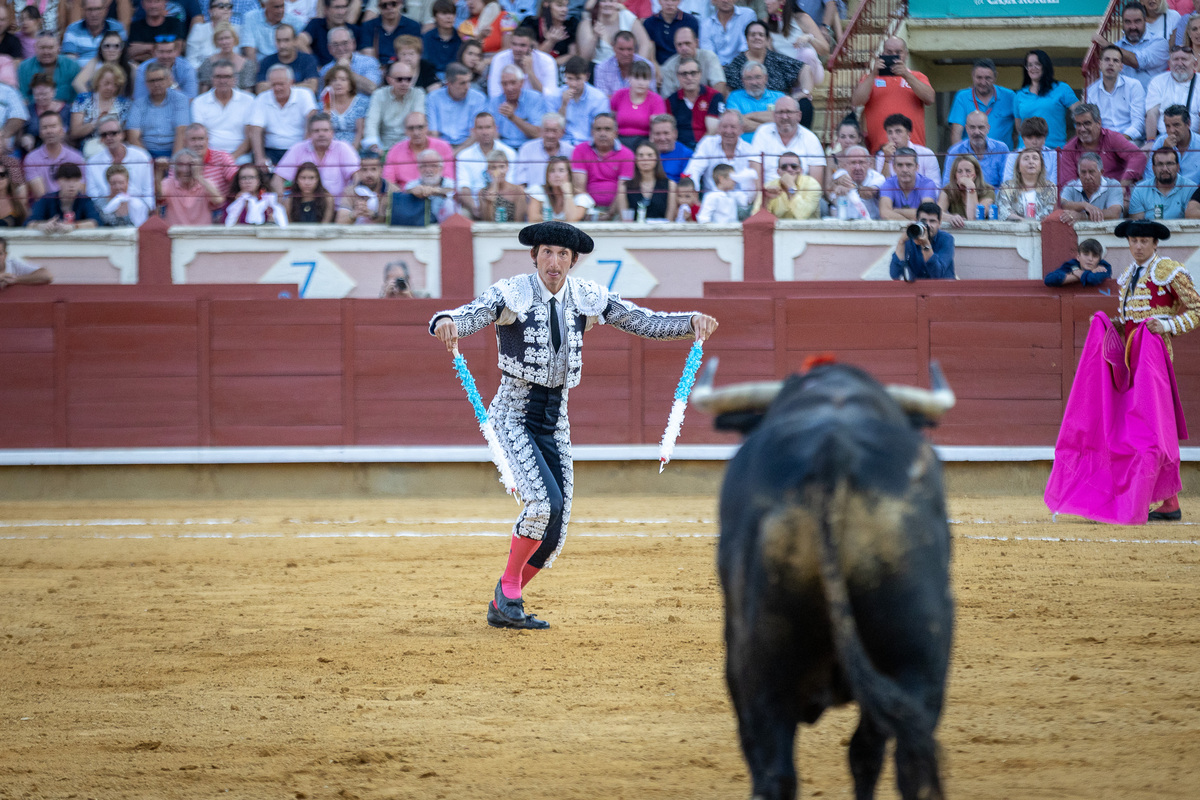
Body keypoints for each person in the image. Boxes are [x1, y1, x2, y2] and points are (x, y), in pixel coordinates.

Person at [430, 220, 718, 629]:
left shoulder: (587, 296)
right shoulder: (511, 292)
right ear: (535, 255)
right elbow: (473, 314)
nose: (554, 261)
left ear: (573, 261)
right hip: (513, 414)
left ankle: (506, 597)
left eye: (563, 254)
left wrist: (690, 321)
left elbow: (643, 321)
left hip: (555, 419)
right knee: (542, 505)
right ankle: (508, 595)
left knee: (558, 525)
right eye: (547, 252)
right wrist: (447, 321)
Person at [1045, 219, 1200, 524]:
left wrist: (1167, 325)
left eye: (1144, 241)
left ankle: (1168, 500)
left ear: (1155, 244)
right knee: (1136, 430)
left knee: (1152, 430)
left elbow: (1198, 309)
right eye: (1134, 241)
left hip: (1154, 362)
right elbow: (1129, 320)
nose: (1138, 246)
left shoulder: (1169, 271)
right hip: (1130, 361)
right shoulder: (1129, 275)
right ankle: (1168, 501)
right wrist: (1109, 324)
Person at [850, 36, 934, 153]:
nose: (893, 55)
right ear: (882, 53)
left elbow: (930, 98)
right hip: (880, 149)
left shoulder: (917, 76)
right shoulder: (870, 78)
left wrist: (906, 75)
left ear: (906, 54)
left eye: (898, 52)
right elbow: (856, 101)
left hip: (913, 148)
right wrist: (874, 74)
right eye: (889, 52)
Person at [724, 21, 809, 124]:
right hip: (746, 108)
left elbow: (805, 69)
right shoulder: (737, 64)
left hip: (778, 108)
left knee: (805, 105)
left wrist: (805, 92)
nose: (757, 37)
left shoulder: (777, 59)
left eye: (761, 35)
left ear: (767, 39)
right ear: (746, 39)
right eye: (753, 35)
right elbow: (727, 89)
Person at [1059, 103, 1148, 191]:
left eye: (1087, 123)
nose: (1082, 129)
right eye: (1078, 124)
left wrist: (1122, 185)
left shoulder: (1112, 138)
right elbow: (1069, 185)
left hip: (1116, 195)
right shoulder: (1069, 148)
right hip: (1085, 198)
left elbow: (1138, 156)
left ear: (1098, 123)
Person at [273, 112, 361, 197]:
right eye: (316, 131)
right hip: (305, 207)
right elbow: (277, 179)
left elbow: (358, 175)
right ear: (309, 134)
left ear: (332, 132)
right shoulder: (298, 149)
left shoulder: (343, 148)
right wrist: (281, 204)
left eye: (325, 130)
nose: (321, 134)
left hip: (339, 208)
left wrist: (351, 189)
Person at [249, 64, 319, 164]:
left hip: (299, 149)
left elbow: (311, 121)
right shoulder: (262, 98)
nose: (277, 88)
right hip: (271, 151)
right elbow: (255, 130)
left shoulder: (304, 94)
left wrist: (303, 153)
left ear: (291, 82)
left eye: (281, 84)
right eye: (274, 85)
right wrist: (259, 158)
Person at [1013, 49, 1080, 150]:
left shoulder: (1062, 88)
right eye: (1029, 65)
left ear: (1045, 65)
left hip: (1055, 150)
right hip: (1026, 152)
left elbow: (1080, 113)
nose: (1033, 68)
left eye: (1037, 64)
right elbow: (1019, 128)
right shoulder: (1019, 95)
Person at [85, 115, 156, 210]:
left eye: (113, 133)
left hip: (138, 209)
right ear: (101, 139)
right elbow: (93, 194)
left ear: (122, 134)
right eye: (104, 135)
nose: (109, 137)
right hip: (106, 211)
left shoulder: (142, 156)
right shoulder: (92, 162)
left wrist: (149, 210)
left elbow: (148, 190)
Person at [749, 96, 823, 185]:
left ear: (799, 116)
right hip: (768, 194)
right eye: (780, 112)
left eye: (789, 112)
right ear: (774, 116)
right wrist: (762, 196)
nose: (784, 116)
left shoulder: (811, 139)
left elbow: (815, 185)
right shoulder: (762, 133)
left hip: (801, 195)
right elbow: (754, 174)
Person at [683, 109, 760, 193]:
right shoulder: (707, 143)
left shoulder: (749, 150)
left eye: (733, 127)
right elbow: (694, 170)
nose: (728, 131)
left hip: (740, 202)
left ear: (741, 129)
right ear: (719, 128)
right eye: (724, 126)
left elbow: (753, 182)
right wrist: (693, 193)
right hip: (711, 200)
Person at [454, 111, 516, 217]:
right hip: (474, 206)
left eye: (488, 127)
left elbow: (511, 184)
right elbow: (463, 188)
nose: (484, 132)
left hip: (503, 205)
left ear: (495, 129)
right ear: (473, 131)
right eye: (480, 128)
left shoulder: (509, 153)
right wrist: (474, 207)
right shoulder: (464, 156)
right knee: (462, 215)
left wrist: (492, 206)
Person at [192, 59, 255, 160]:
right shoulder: (199, 102)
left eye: (227, 76)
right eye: (218, 77)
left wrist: (231, 159)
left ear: (235, 79)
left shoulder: (249, 100)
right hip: (209, 156)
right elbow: (199, 136)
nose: (222, 81)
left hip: (240, 156)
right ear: (211, 79)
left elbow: (250, 137)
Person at [1100, 1, 1170, 92]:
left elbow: (1139, 61)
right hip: (1122, 103)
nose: (1133, 27)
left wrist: (1109, 46)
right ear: (1122, 23)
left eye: (1137, 21)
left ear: (1145, 20)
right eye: (1128, 22)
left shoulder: (1159, 43)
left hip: (1150, 104)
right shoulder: (1117, 47)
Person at [127, 62, 191, 159]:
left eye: (160, 79)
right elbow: (133, 137)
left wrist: (174, 163)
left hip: (175, 151)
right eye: (152, 81)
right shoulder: (138, 104)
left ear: (169, 80)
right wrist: (149, 161)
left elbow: (181, 132)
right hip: (146, 153)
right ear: (146, 83)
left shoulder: (180, 99)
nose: (156, 84)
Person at [948, 58, 1017, 148]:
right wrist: (960, 157)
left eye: (987, 78)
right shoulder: (962, 97)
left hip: (1002, 157)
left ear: (995, 77)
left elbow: (1020, 127)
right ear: (973, 76)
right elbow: (956, 133)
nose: (983, 82)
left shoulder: (1009, 96)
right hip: (971, 158)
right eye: (979, 77)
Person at [1087, 44, 1147, 142]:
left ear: (1121, 67)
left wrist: (1120, 140)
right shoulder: (1091, 91)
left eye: (1115, 61)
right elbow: (1092, 123)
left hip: (1129, 140)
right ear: (1100, 64)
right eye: (1107, 59)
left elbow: (1138, 123)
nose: (1111, 63)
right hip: (1102, 141)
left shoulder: (1134, 86)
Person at [363, 62, 426, 154]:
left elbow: (417, 123)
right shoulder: (379, 94)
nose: (404, 83)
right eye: (399, 79)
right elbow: (371, 123)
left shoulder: (418, 94)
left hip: (410, 146)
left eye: (408, 79)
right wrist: (374, 145)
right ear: (389, 80)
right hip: (382, 147)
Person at [69, 65, 132, 157]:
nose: (110, 88)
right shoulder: (83, 99)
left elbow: (126, 134)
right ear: (98, 81)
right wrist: (97, 122)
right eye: (107, 83)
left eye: (115, 85)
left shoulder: (124, 104)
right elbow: (75, 132)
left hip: (115, 146)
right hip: (89, 147)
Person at [24, 112, 86, 200]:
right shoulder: (31, 159)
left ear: (62, 130)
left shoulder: (76, 157)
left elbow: (80, 190)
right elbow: (40, 194)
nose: (49, 131)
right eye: (44, 127)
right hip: (46, 208)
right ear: (40, 132)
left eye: (53, 126)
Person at [941, 110, 1009, 189]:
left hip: (994, 198)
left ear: (988, 128)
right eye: (972, 127)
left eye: (981, 127)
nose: (977, 132)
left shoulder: (1001, 148)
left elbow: (1006, 183)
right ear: (966, 129)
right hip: (963, 197)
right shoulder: (955, 151)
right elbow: (947, 185)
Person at [577, 0, 653, 70]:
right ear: (598, 3)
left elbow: (645, 44)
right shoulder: (587, 24)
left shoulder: (626, 16)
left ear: (617, 3)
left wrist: (637, 67)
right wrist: (595, 37)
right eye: (603, 1)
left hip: (627, 69)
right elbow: (584, 58)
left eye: (611, 1)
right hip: (598, 70)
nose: (608, 4)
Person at [157, 146, 225, 225]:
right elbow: (159, 197)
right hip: (176, 234)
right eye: (180, 165)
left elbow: (219, 201)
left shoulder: (206, 183)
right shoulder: (168, 183)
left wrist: (199, 177)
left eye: (190, 165)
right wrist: (159, 171)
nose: (185, 170)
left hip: (201, 234)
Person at [1144, 46, 1200, 139]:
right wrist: (1151, 142)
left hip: (1193, 140)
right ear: (1169, 64)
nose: (1179, 63)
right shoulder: (1157, 81)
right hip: (1163, 139)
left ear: (1195, 64)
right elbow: (1151, 114)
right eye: (1176, 59)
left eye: (1184, 59)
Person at [486, 25, 557, 98]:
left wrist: (530, 72)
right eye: (514, 44)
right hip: (507, 105)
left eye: (522, 45)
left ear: (532, 47)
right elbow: (494, 94)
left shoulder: (547, 61)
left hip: (537, 106)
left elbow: (550, 97)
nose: (517, 49)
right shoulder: (499, 59)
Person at [889, 202, 954, 281]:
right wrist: (901, 242)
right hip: (917, 291)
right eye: (923, 221)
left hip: (942, 290)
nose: (928, 225)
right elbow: (895, 275)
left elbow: (937, 274)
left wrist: (925, 244)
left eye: (932, 221)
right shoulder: (910, 238)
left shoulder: (946, 239)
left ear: (939, 223)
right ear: (916, 221)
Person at [427, 63, 487, 148]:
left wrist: (456, 154)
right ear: (448, 84)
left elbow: (476, 134)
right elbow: (433, 133)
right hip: (441, 145)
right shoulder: (433, 98)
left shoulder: (479, 98)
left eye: (468, 82)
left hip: (470, 146)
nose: (467, 87)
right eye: (462, 83)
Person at [26, 162, 100, 230]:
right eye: (67, 180)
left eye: (76, 180)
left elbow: (96, 222)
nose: (72, 185)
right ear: (58, 181)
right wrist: (42, 225)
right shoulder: (46, 199)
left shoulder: (85, 200)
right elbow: (28, 223)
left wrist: (74, 226)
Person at [659, 25, 727, 99]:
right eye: (679, 45)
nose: (684, 48)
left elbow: (719, 84)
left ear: (696, 43)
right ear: (675, 46)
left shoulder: (709, 57)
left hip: (708, 104)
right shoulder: (668, 67)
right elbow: (668, 99)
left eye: (687, 43)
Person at [615, 140, 675, 221]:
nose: (645, 159)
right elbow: (624, 219)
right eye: (640, 155)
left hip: (662, 232)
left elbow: (670, 219)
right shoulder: (624, 187)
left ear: (656, 158)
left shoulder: (670, 185)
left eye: (650, 155)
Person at [487, 64, 545, 148]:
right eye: (504, 84)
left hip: (528, 146)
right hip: (503, 147)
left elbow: (538, 133)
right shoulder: (495, 102)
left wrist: (513, 118)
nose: (509, 88)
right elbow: (491, 134)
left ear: (521, 82)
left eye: (513, 83)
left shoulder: (534, 98)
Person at [610, 61, 666, 147]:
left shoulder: (656, 100)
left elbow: (657, 128)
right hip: (619, 141)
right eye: (636, 78)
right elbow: (610, 121)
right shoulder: (618, 95)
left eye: (645, 78)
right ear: (629, 78)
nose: (641, 83)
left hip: (645, 142)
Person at [558, 56, 610, 147]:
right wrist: (564, 105)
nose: (574, 84)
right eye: (570, 79)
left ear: (587, 77)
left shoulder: (598, 98)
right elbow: (555, 129)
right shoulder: (555, 95)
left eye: (578, 79)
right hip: (563, 145)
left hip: (588, 145)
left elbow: (601, 129)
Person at [725, 61, 783, 142]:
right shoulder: (734, 97)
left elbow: (782, 120)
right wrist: (771, 125)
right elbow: (737, 124)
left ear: (765, 78)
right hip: (744, 148)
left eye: (758, 77)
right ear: (742, 80)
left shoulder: (779, 97)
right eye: (749, 78)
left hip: (773, 146)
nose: (754, 82)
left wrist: (746, 117)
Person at [875, 113, 939, 187]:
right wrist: (887, 160)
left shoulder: (927, 154)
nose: (893, 136)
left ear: (909, 134)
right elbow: (882, 188)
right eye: (890, 132)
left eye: (898, 131)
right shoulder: (882, 155)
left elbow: (935, 187)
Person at [1060, 152, 1126, 223]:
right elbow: (1063, 204)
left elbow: (1114, 213)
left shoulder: (1113, 185)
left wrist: (1081, 216)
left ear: (1101, 172)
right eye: (1083, 172)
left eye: (1091, 172)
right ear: (1078, 173)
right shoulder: (1071, 186)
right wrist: (1084, 205)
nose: (1087, 177)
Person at [753, 150, 818, 219]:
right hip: (778, 228)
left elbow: (802, 216)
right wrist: (766, 200)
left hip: (807, 229)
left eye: (794, 166)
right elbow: (756, 217)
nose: (789, 169)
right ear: (778, 171)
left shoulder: (812, 184)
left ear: (801, 170)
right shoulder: (769, 186)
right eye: (784, 167)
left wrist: (791, 187)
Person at [255, 24, 320, 94]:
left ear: (295, 41)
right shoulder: (266, 61)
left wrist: (275, 87)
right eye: (278, 41)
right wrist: (301, 85)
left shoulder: (308, 60)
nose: (282, 45)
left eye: (286, 40)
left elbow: (312, 88)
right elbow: (260, 90)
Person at [19, 32, 80, 105]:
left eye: (50, 47)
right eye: (42, 48)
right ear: (35, 47)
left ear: (58, 47)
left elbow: (76, 97)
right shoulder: (24, 67)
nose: (46, 52)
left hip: (65, 111)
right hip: (34, 111)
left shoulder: (71, 65)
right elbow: (24, 97)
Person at [996, 148, 1056, 221]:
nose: (1031, 162)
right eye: (1026, 159)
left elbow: (1050, 211)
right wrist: (1024, 221)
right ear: (1018, 167)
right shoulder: (1007, 187)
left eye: (1035, 158)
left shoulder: (1050, 188)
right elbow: (1003, 212)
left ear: (1041, 166)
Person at [1144, 103, 1200, 183]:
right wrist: (1164, 151)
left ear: (1188, 124)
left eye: (1176, 125)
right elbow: (1151, 178)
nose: (1172, 130)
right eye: (1167, 126)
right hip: (1166, 192)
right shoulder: (1160, 142)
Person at [825, 144, 884, 220]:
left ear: (869, 164)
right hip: (845, 223)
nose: (858, 167)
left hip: (872, 224)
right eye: (853, 163)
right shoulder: (841, 174)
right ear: (845, 165)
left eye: (861, 162)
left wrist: (851, 187)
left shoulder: (877, 177)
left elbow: (868, 193)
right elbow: (830, 189)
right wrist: (836, 184)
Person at [131, 37, 199, 102]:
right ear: (154, 52)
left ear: (176, 52)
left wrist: (172, 85)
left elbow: (191, 101)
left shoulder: (187, 68)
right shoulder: (143, 69)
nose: (165, 56)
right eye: (161, 52)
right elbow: (139, 99)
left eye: (169, 52)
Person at [878, 147, 938, 221]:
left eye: (909, 165)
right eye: (900, 165)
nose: (904, 170)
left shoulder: (927, 184)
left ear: (917, 167)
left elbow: (927, 213)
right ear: (894, 167)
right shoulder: (888, 184)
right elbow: (885, 214)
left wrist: (896, 211)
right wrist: (910, 225)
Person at [527, 154, 592, 221]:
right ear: (547, 175)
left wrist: (568, 194)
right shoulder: (539, 190)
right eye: (552, 171)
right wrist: (559, 222)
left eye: (561, 171)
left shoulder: (581, 197)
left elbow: (572, 219)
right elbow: (533, 218)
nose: (556, 175)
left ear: (569, 175)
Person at [1130, 147, 1191, 219]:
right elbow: (1137, 225)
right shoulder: (1140, 190)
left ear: (1178, 167)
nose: (1165, 169)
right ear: (1153, 168)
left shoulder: (1191, 189)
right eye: (1160, 164)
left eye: (1169, 164)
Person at [937, 154, 995, 228]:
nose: (964, 175)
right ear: (955, 175)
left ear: (976, 174)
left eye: (968, 171)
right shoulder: (947, 190)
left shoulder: (988, 191)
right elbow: (937, 214)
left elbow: (974, 218)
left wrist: (970, 187)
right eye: (959, 171)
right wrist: (951, 218)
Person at [593, 30, 657, 98]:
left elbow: (651, 96)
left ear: (635, 49)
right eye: (621, 49)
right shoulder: (601, 68)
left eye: (629, 49)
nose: (625, 54)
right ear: (613, 47)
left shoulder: (648, 66)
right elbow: (602, 99)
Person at [71, 31, 134, 98]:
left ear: (122, 49)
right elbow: (77, 83)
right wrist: (92, 101)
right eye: (107, 46)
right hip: (98, 104)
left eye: (116, 46)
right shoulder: (95, 63)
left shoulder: (131, 67)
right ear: (101, 49)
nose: (111, 50)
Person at [320, 26, 381, 95]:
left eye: (345, 43)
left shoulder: (368, 62)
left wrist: (347, 70)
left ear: (353, 43)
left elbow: (373, 88)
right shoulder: (325, 70)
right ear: (329, 48)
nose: (340, 48)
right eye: (335, 44)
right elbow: (323, 97)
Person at [196, 24, 257, 92]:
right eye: (220, 39)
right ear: (216, 41)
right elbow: (204, 89)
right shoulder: (208, 62)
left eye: (227, 38)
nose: (224, 42)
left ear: (234, 39)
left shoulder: (246, 63)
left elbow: (247, 90)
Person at [322, 64, 370, 150]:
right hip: (330, 149)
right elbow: (324, 130)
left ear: (350, 84)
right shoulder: (324, 103)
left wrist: (352, 152)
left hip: (356, 148)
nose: (338, 83)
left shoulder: (361, 102)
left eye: (343, 80)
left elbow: (360, 132)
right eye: (334, 80)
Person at [402, 148, 457, 222]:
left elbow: (453, 191)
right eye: (424, 166)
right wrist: (413, 192)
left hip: (446, 225)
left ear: (441, 168)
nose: (428, 170)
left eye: (433, 166)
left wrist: (434, 190)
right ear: (418, 168)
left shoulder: (450, 183)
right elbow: (405, 193)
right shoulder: (412, 184)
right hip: (420, 225)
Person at [62, 0, 127, 63]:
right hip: (81, 72)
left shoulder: (117, 28)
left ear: (106, 10)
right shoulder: (73, 30)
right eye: (89, 9)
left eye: (98, 9)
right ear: (83, 11)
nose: (94, 14)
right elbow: (70, 61)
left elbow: (123, 56)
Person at [1001, 116, 1059, 186]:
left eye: (1038, 137)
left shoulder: (1054, 155)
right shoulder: (1013, 156)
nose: (1034, 142)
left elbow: (1054, 185)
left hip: (1048, 195)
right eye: (1029, 138)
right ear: (1023, 139)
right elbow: (1008, 184)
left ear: (1045, 138)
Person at [514, 112, 568, 187]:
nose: (550, 135)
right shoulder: (527, 149)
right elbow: (521, 182)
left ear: (562, 132)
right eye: (547, 130)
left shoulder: (570, 151)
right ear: (541, 130)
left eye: (554, 131)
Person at [241, 0, 306, 62]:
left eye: (282, 6)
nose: (281, 10)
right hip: (261, 64)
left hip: (287, 63)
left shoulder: (295, 21)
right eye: (276, 7)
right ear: (264, 6)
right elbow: (249, 50)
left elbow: (304, 44)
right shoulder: (251, 18)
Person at [361, 0, 422, 64]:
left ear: (401, 4)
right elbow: (367, 55)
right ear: (379, 7)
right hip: (376, 68)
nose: (389, 8)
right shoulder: (368, 26)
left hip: (404, 66)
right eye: (384, 5)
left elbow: (414, 54)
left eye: (394, 4)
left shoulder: (413, 26)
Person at [298, 0, 357, 66]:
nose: (341, 12)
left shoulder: (354, 29)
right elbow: (300, 42)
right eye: (337, 7)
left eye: (344, 7)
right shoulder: (316, 24)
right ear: (326, 9)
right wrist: (314, 65)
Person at [699, 0, 756, 66]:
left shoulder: (747, 15)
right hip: (716, 69)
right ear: (714, 1)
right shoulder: (705, 25)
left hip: (743, 66)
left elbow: (746, 47)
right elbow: (708, 55)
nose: (725, 1)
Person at [187, 0, 241, 69]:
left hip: (232, 75)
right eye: (221, 6)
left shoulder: (238, 31)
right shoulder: (199, 29)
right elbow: (191, 60)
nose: (226, 9)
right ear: (210, 11)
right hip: (202, 75)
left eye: (229, 6)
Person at [477, 149, 526, 221]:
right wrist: (490, 200)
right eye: (493, 168)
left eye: (501, 167)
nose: (498, 172)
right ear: (488, 170)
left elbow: (519, 221)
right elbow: (486, 221)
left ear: (507, 168)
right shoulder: (482, 193)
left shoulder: (518, 191)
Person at [644, 0, 698, 65]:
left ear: (679, 1)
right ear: (659, 1)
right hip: (658, 67)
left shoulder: (690, 21)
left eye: (673, 0)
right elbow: (650, 52)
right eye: (665, 0)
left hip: (684, 64)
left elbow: (695, 48)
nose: (669, 3)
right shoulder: (649, 23)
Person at [1043, 238, 1112, 287]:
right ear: (1078, 257)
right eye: (1086, 254)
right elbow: (1049, 279)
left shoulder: (1103, 266)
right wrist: (1090, 272)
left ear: (1099, 259)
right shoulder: (1072, 264)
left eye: (1094, 256)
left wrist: (1077, 274)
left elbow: (1093, 279)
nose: (1090, 259)